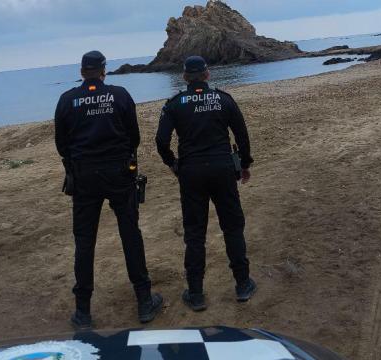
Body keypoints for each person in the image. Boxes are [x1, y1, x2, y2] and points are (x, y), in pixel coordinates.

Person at [54, 50, 162, 328]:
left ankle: (83, 311)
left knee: (84, 241)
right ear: (103, 70)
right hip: (117, 173)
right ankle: (144, 301)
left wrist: (78, 161)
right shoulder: (120, 94)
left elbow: (61, 143)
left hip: (84, 176)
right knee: (130, 234)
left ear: (81, 72)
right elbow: (134, 136)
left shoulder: (67, 100)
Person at [155, 55, 257, 311]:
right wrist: (244, 163)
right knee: (232, 227)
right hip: (223, 169)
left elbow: (161, 141)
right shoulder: (223, 99)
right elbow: (242, 134)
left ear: (185, 77)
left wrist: (173, 164)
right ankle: (243, 284)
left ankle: (197, 293)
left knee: (195, 233)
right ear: (208, 75)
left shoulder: (175, 104)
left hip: (191, 172)